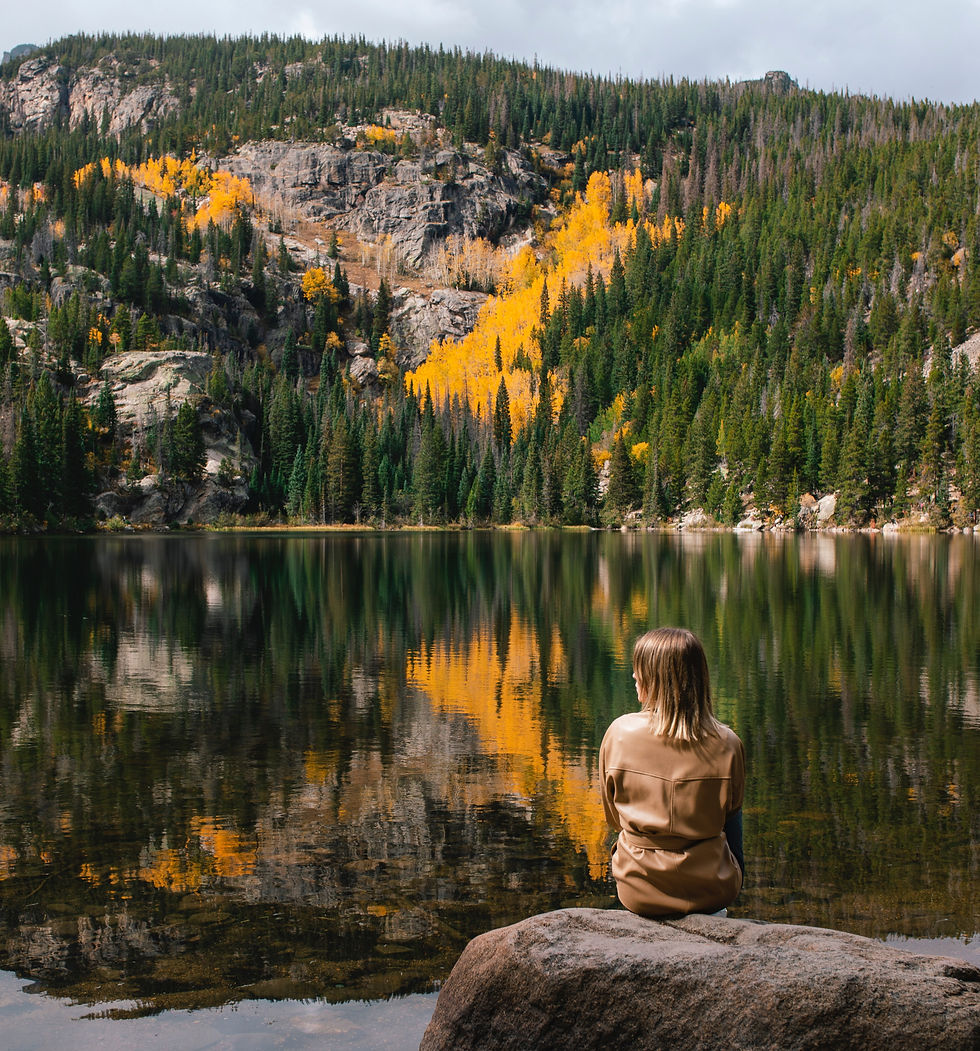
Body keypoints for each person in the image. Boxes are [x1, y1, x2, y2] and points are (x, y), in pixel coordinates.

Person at [599, 626, 745, 917]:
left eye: (639, 669)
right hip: (711, 890)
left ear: (656, 679)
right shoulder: (728, 744)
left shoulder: (619, 734)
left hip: (638, 889)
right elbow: (731, 822)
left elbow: (614, 819)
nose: (634, 676)